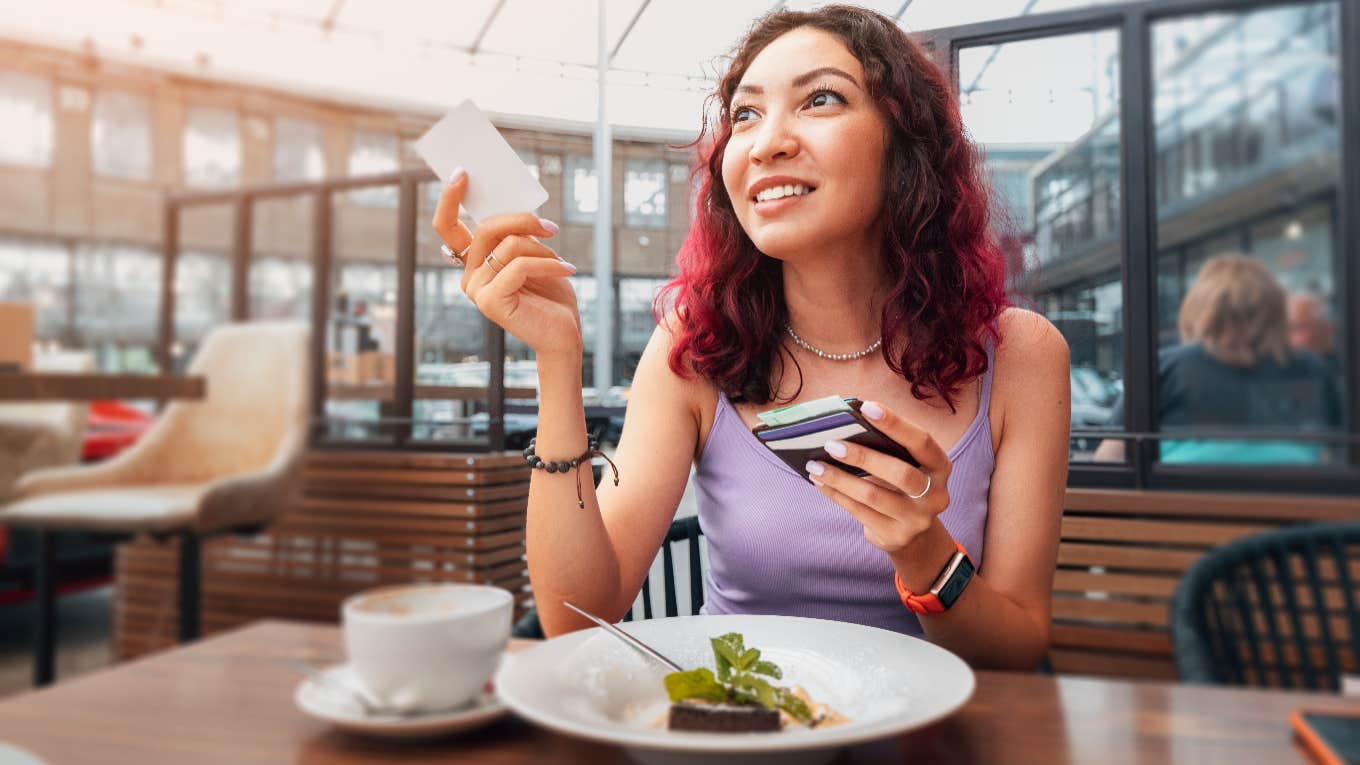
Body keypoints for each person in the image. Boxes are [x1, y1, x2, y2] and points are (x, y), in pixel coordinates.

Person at [431, 6, 1070, 670]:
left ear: (907, 146)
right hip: (745, 725)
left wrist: (926, 555)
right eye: (745, 115)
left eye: (820, 99)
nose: (767, 142)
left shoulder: (1021, 355)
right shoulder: (696, 345)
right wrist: (558, 359)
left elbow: (1020, 648)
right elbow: (575, 618)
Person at [1093, 255, 1342, 465]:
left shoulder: (1167, 368)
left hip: (1176, 514)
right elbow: (1333, 456)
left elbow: (1108, 462)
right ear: (1275, 312)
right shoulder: (1309, 369)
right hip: (1298, 518)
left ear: (1201, 308)